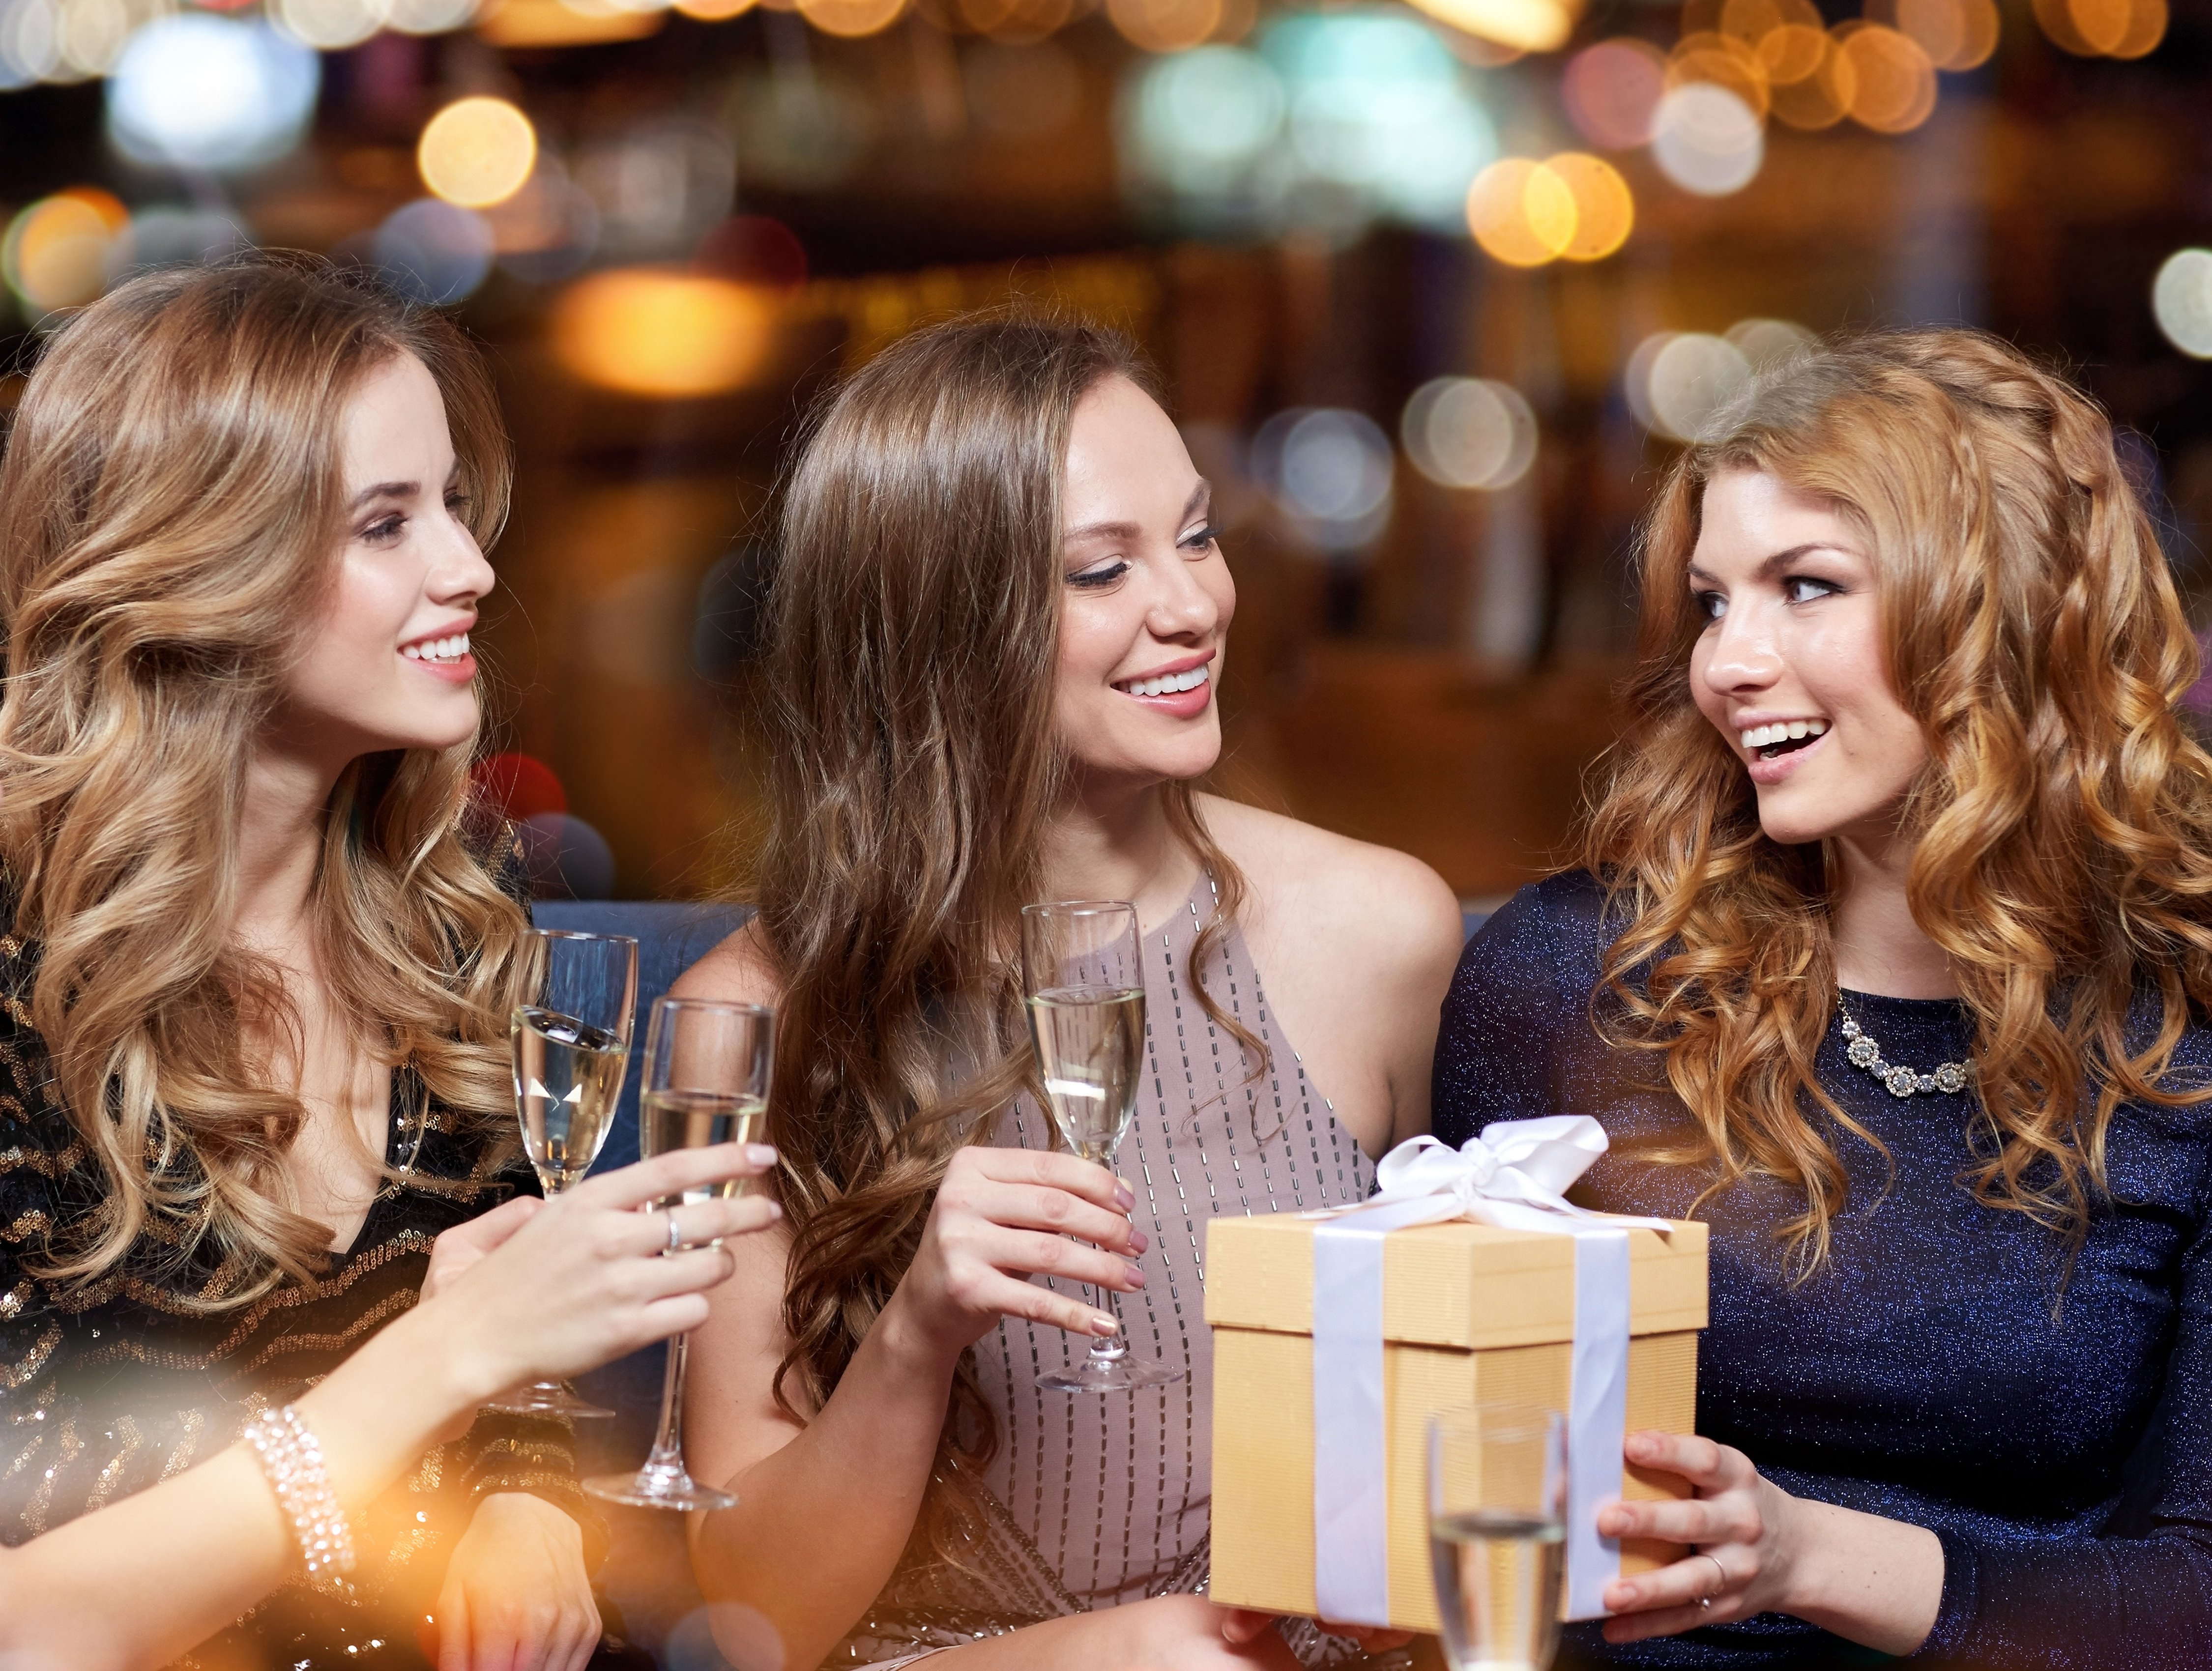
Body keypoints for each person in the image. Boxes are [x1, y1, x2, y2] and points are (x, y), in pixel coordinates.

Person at [672, 315, 1465, 1670]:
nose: (1193, 605)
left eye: (1198, 536)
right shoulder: (752, 1016)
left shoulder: (1378, 932)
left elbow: (1470, 1430)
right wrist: (921, 1329)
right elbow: (758, 1625)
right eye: (1103, 569)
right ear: (939, 628)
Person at [1432, 326, 2212, 1668]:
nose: (1727, 663)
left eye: (1805, 586)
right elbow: (1439, 1466)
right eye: (1711, 603)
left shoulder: (2179, 1042)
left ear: (2004, 609)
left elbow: (2193, 1600)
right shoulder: (1578, 978)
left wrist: (1805, 1557)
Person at [0, 252, 688, 1671]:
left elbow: (504, 1321)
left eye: (453, 504)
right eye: (387, 523)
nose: (470, 568)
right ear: (200, 567)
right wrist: (441, 1359)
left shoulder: (442, 918)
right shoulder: (25, 987)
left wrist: (525, 1499)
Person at [0, 1140, 780, 1671]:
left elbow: (511, 1305)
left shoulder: (457, 962)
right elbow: (25, 1622)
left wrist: (526, 1495)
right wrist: (437, 1362)